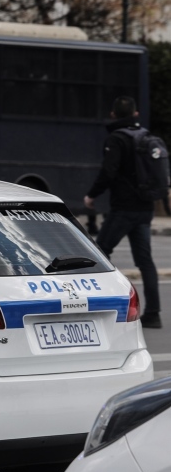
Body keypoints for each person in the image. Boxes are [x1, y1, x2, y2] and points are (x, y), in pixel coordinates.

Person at [84, 96, 162, 328]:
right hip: (145, 209)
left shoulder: (117, 139)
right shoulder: (146, 137)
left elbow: (108, 172)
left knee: (98, 254)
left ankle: (100, 308)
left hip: (123, 209)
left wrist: (91, 195)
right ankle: (153, 314)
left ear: (113, 115)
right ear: (136, 114)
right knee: (145, 261)